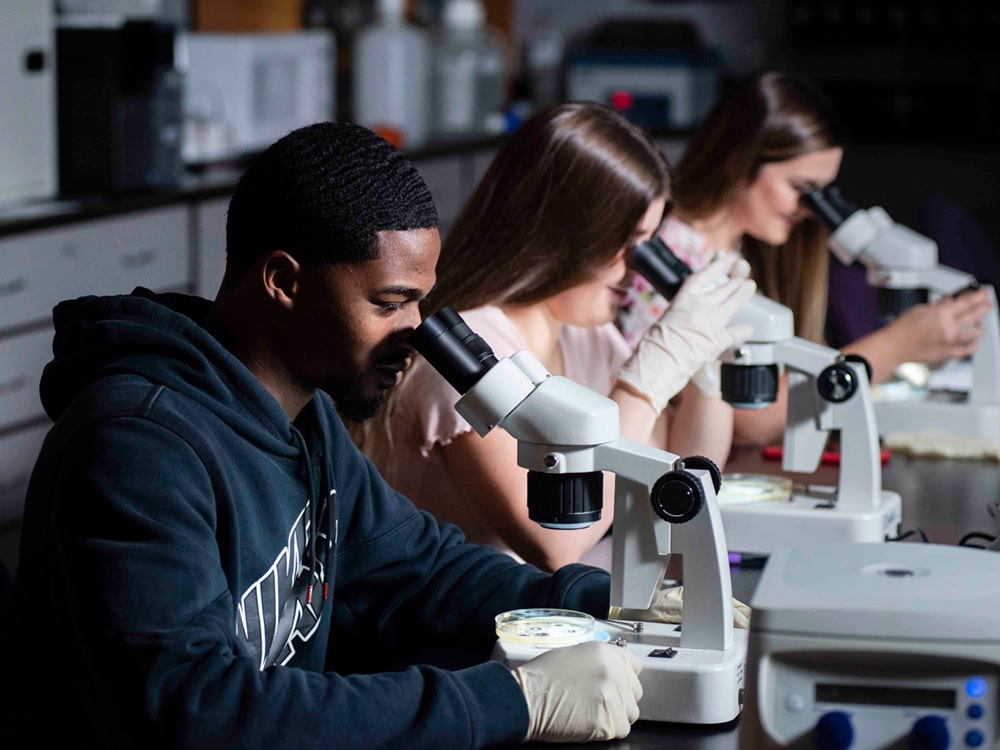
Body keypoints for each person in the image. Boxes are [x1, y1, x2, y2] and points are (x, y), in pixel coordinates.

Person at [0, 122, 657, 749]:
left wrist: (614, 602)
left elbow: (418, 571)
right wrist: (512, 700)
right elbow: (196, 712)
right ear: (284, 281)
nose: (417, 332)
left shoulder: (305, 416)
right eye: (390, 302)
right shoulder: (136, 446)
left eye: (421, 302)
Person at [351, 102, 756, 573]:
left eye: (646, 246)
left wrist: (704, 366)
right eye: (626, 243)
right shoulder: (468, 350)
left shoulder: (588, 335)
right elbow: (555, 544)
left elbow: (670, 475)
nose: (636, 271)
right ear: (565, 232)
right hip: (456, 633)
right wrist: (647, 378)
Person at [618, 70, 994, 449]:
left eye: (821, 194)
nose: (809, 211)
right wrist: (900, 343)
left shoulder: (736, 253)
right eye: (801, 189)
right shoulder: (668, 253)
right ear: (737, 161)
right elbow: (749, 415)